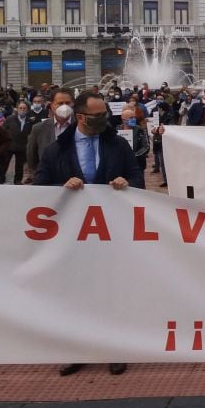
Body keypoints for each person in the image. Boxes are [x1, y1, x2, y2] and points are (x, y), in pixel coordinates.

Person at [32, 91, 142, 379]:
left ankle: (114, 348)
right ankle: (75, 350)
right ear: (80, 117)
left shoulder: (116, 145)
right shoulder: (57, 150)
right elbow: (39, 188)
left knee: (110, 292)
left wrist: (126, 182)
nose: (105, 119)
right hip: (71, 235)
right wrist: (62, 186)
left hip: (110, 232)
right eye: (99, 115)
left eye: (106, 114)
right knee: (73, 293)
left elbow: (138, 176)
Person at [0, 100, 34, 184]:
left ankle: (17, 180)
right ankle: (1, 179)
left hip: (22, 146)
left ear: (27, 109)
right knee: (4, 164)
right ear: (17, 109)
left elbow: (31, 133)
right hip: (9, 146)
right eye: (20, 108)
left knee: (19, 166)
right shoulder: (10, 119)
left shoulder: (30, 121)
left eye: (24, 108)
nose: (22, 110)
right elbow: (3, 131)